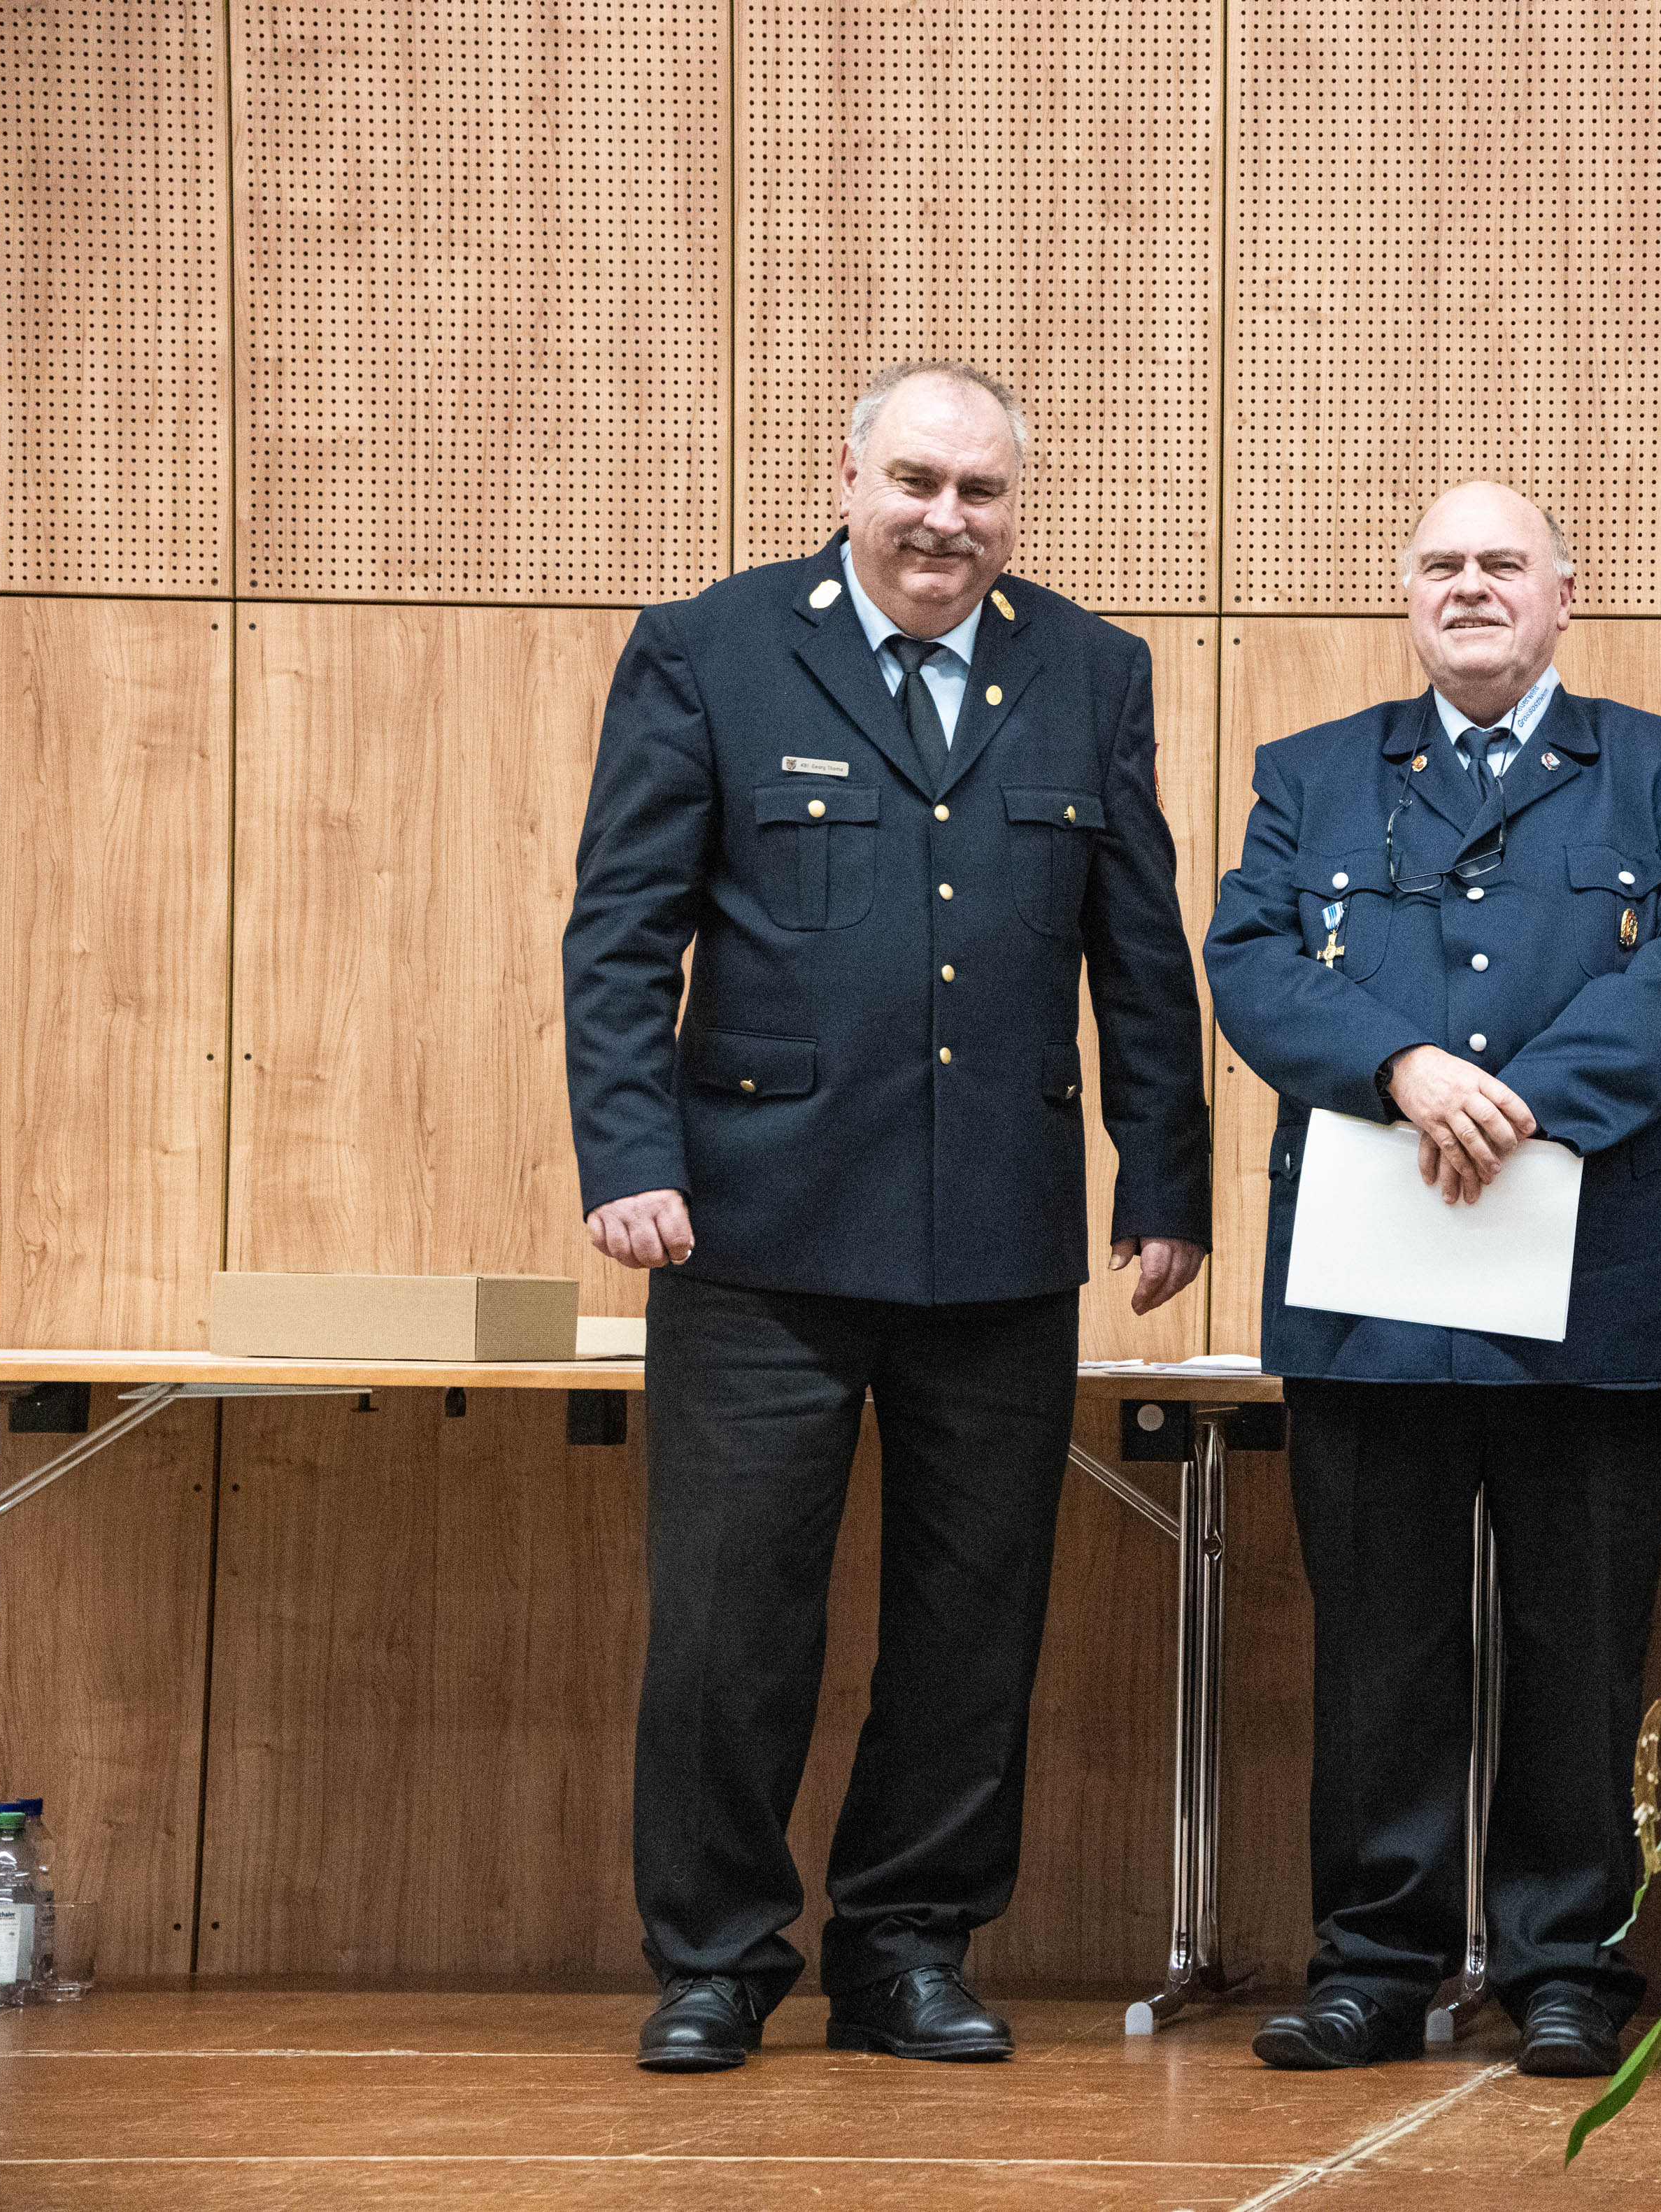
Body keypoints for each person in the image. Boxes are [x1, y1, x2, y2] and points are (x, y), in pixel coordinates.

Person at [563, 360, 1213, 2072]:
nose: (946, 518)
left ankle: (906, 1946)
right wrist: (630, 1150)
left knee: (970, 1615)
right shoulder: (707, 646)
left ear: (1017, 505)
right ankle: (714, 1954)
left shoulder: (1089, 667)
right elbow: (622, 930)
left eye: (981, 492)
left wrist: (1165, 1177)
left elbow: (1136, 949)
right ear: (845, 476)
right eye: (916, 480)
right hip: (755, 1230)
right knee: (728, 1615)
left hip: (996, 1230)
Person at [1201, 480, 1661, 2078]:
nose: (1470, 585)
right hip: (1376, 1295)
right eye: (1441, 564)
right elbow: (1248, 962)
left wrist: (1520, 1095)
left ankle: (1565, 1958)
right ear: (1405, 595)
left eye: (1501, 562)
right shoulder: (1310, 776)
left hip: (1598, 1297)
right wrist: (1404, 1062)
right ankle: (1372, 1959)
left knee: (1579, 1642)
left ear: (1562, 593)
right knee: (1380, 1641)